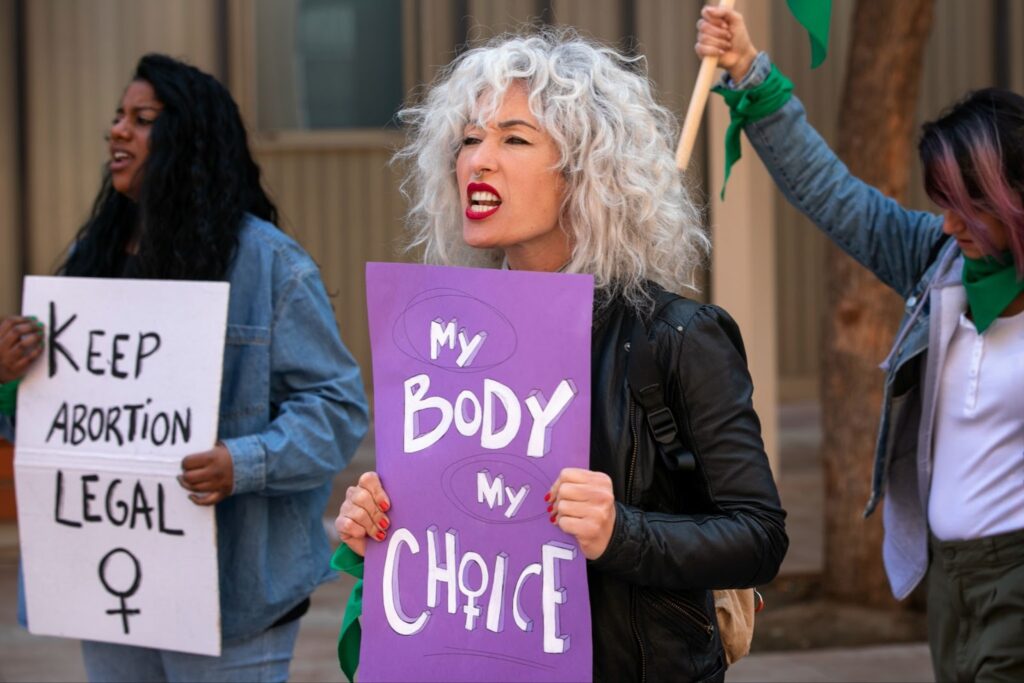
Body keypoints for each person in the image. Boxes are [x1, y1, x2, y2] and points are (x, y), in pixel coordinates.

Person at [334, 29, 788, 682]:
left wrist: (619, 532)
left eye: (514, 138)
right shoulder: (450, 342)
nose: (478, 161)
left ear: (588, 171)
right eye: (468, 138)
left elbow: (760, 536)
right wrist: (380, 524)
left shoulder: (679, 336)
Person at [0, 54, 369, 682]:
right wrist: (11, 383)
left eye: (142, 119)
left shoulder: (272, 266)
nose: (117, 130)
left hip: (237, 606)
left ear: (191, 141)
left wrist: (242, 462)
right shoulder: (92, 266)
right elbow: (53, 431)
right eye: (118, 117)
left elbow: (337, 412)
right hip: (112, 598)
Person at [697, 7, 1024, 681]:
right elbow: (833, 195)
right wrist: (748, 68)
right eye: (941, 199)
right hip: (948, 580)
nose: (947, 221)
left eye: (969, 205)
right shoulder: (939, 263)